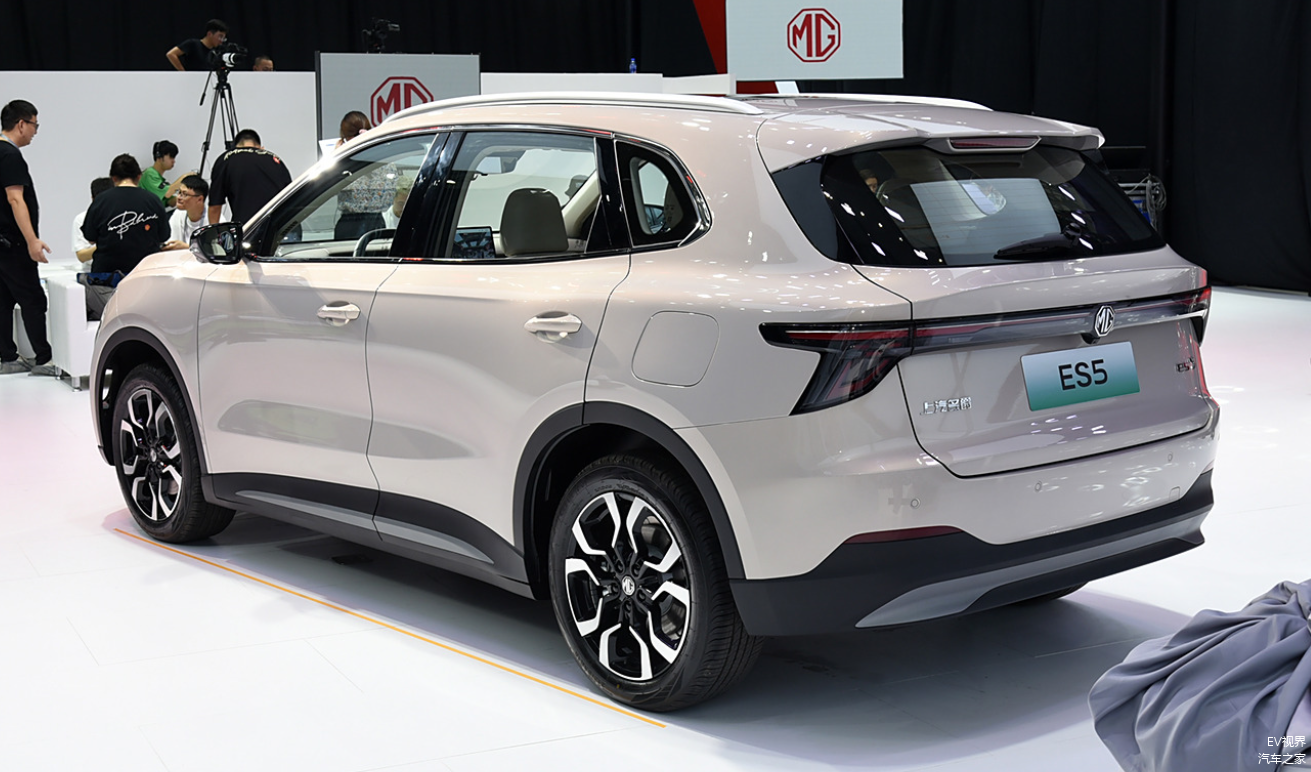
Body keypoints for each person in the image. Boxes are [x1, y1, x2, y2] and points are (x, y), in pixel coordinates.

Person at [0, 99, 56, 376]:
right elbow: (15, 199)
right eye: (34, 125)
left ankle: (8, 357)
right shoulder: (10, 155)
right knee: (33, 299)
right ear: (21, 124)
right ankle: (43, 359)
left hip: (2, 242)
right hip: (14, 244)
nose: (35, 131)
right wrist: (32, 240)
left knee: (3, 300)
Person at [80, 154, 171, 319]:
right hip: (145, 277)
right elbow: (164, 235)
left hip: (106, 280)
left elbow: (90, 236)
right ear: (139, 176)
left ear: (113, 178)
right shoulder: (153, 200)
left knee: (108, 321)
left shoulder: (101, 201)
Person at [208, 128, 292, 225]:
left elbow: (215, 206)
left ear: (235, 146)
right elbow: (291, 196)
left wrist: (214, 231)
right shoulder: (274, 159)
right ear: (260, 147)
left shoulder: (226, 159)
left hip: (250, 227)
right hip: (282, 225)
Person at [333, 111, 396, 239]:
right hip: (378, 224)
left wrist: (336, 157)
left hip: (350, 225)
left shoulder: (345, 164)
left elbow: (328, 187)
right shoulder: (386, 161)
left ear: (345, 138)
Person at [72, 176, 114, 264]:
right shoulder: (82, 219)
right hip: (92, 268)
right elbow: (81, 256)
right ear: (93, 199)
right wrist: (108, 244)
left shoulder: (123, 215)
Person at [140, 140, 189, 207]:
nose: (174, 161)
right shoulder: (150, 174)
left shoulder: (161, 181)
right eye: (171, 157)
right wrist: (186, 177)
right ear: (159, 157)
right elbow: (167, 193)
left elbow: (171, 202)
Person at [166, 175, 210, 246]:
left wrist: (186, 247)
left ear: (200, 199)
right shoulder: (178, 213)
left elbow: (216, 250)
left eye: (185, 194)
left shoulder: (215, 218)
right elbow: (171, 243)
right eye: (179, 192)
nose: (179, 197)